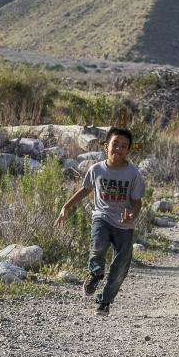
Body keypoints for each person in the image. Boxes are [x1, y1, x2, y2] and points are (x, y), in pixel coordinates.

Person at [54, 127, 145, 316]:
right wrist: (65, 207)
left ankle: (104, 302)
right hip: (101, 216)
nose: (118, 149)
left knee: (120, 266)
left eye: (124, 146)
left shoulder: (133, 173)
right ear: (106, 146)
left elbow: (137, 202)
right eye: (115, 144)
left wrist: (132, 215)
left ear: (128, 150)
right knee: (98, 244)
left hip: (124, 225)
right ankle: (95, 273)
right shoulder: (96, 169)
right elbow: (85, 189)